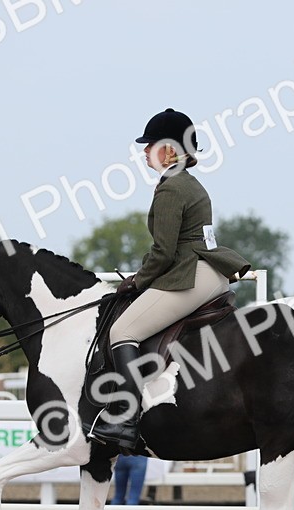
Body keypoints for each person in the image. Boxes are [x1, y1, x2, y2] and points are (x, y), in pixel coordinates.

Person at [88, 108, 251, 450]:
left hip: (191, 274)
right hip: (208, 270)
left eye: (149, 146)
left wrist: (136, 281)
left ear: (167, 149)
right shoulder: (189, 183)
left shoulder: (171, 188)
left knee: (122, 331)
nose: (144, 152)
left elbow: (162, 252)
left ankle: (125, 419)